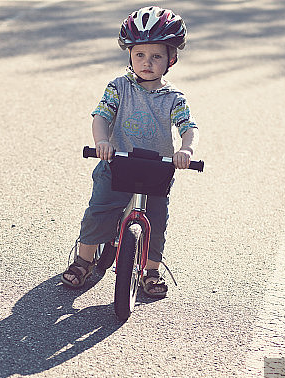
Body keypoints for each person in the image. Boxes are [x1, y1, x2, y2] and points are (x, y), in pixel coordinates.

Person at [61, 5, 198, 297]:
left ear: (171, 59)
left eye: (156, 56)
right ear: (130, 56)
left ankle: (151, 271)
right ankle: (84, 261)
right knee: (100, 211)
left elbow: (189, 127)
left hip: (157, 170)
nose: (147, 62)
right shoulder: (118, 87)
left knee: (156, 223)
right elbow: (102, 116)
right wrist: (102, 142)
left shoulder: (174, 97)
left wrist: (186, 149)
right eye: (140, 55)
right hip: (117, 163)